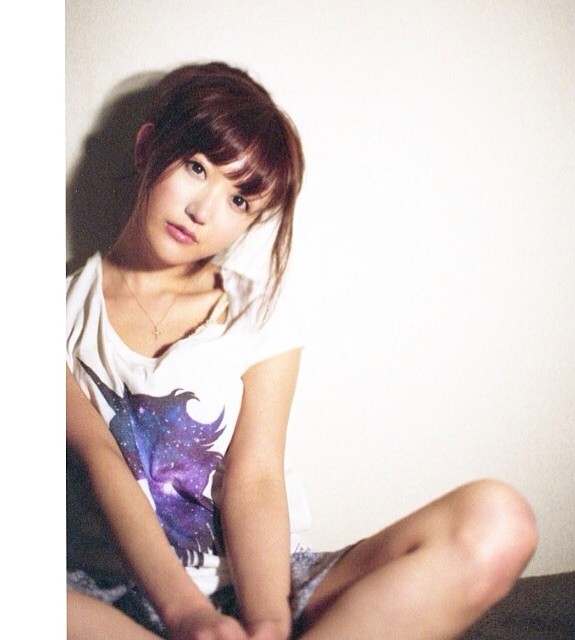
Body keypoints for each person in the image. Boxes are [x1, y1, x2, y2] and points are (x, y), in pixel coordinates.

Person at [66, 61, 537, 640]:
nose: (203, 211)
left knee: (499, 520)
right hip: (114, 600)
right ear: (146, 148)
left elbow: (256, 476)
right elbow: (100, 460)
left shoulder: (256, 312)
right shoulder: (56, 314)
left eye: (240, 199)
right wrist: (189, 616)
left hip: (260, 579)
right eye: (197, 168)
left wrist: (268, 619)